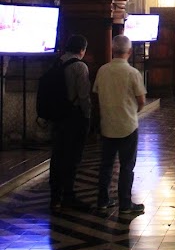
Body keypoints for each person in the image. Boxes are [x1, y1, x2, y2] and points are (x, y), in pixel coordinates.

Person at [94, 34, 146, 216]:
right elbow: (141, 100)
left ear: (112, 50)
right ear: (129, 52)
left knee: (106, 165)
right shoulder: (132, 73)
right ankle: (125, 203)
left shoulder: (103, 70)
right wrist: (133, 111)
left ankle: (102, 200)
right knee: (126, 166)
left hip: (107, 124)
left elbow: (96, 93)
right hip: (128, 125)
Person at [49, 34, 91, 213]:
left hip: (58, 115)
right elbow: (83, 96)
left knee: (57, 156)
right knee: (72, 157)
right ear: (82, 50)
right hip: (74, 117)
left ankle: (55, 196)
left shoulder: (57, 62)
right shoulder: (79, 67)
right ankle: (69, 195)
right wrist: (89, 116)